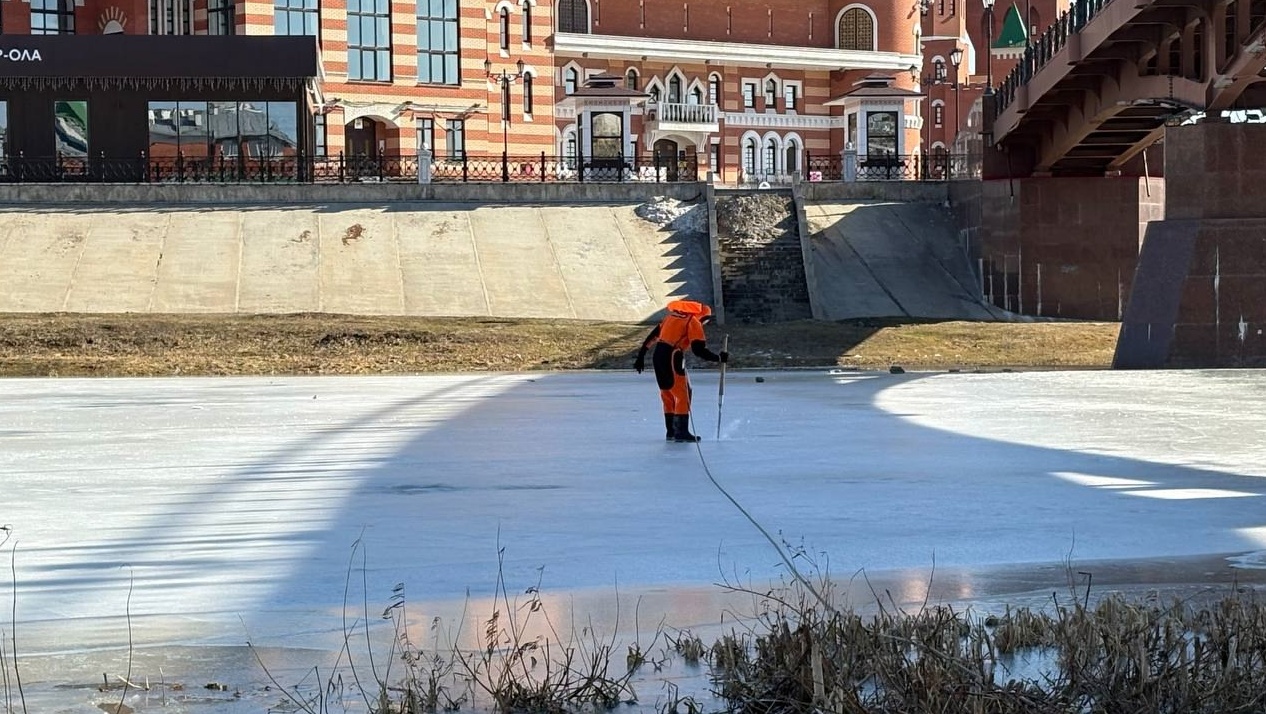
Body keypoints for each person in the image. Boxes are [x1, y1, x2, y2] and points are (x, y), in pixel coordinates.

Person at [634, 300, 728, 442]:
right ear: (702, 317)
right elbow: (698, 350)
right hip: (672, 356)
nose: (704, 325)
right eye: (705, 321)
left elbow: (652, 337)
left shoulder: (671, 317)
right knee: (683, 393)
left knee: (667, 393)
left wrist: (641, 356)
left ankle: (671, 431)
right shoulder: (692, 321)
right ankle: (681, 432)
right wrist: (718, 358)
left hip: (658, 355)